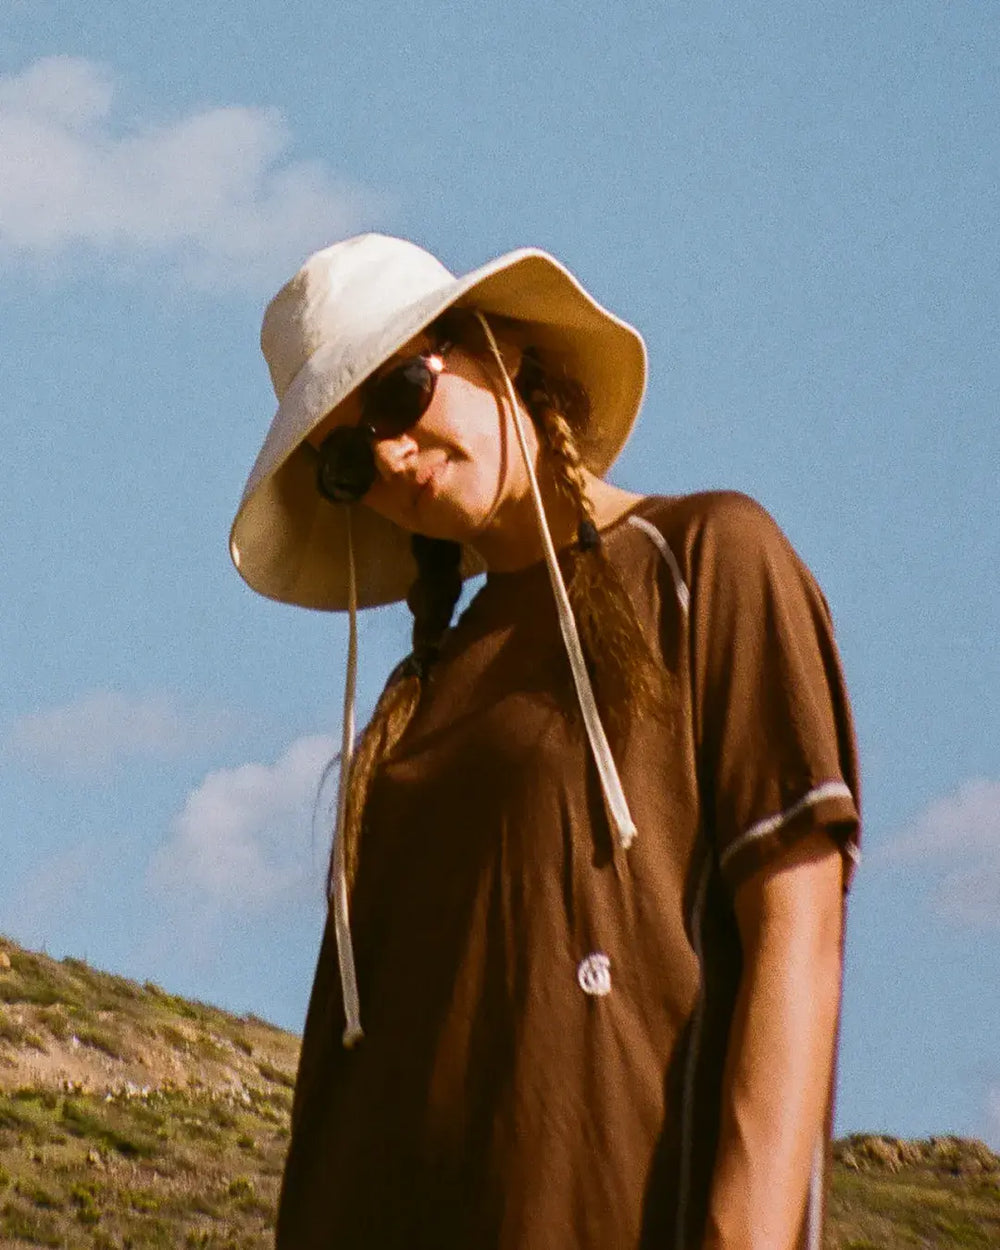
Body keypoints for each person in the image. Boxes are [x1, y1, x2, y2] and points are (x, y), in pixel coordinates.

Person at [229, 234, 861, 1250]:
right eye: (345, 457)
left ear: (500, 349)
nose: (389, 455)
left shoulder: (704, 563)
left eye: (398, 395)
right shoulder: (410, 711)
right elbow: (351, 1096)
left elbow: (797, 926)